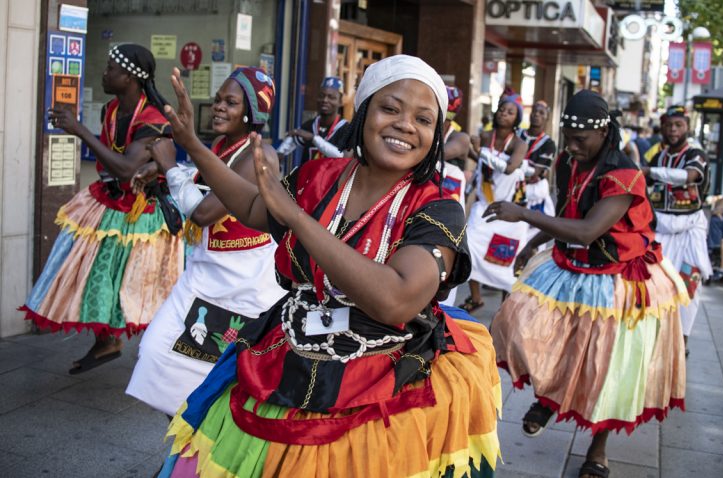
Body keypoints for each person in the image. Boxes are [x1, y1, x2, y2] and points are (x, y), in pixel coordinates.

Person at [157, 55, 501, 477]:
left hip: (385, 377)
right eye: (390, 108)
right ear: (364, 111)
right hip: (288, 351)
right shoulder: (318, 176)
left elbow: (394, 300)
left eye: (423, 119)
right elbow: (254, 206)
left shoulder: (438, 209)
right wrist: (193, 145)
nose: (405, 125)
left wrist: (299, 219)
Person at [488, 90, 688, 478]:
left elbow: (587, 230)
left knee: (607, 366)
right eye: (568, 138)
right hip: (573, 263)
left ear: (603, 133)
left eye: (580, 140)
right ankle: (550, 397)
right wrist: (532, 244)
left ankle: (598, 449)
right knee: (519, 324)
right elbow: (569, 212)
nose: (572, 147)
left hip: (619, 279)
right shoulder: (569, 161)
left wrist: (523, 215)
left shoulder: (624, 174)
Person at [125, 67, 286, 416]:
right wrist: (167, 169)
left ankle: (199, 441)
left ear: (252, 112)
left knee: (220, 376)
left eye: (231, 102)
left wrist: (171, 165)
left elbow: (203, 212)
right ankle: (184, 436)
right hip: (204, 272)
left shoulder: (259, 155)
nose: (219, 107)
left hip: (245, 283)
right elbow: (206, 180)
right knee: (157, 352)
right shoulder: (223, 146)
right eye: (217, 100)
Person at [20, 44, 183, 374]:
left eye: (111, 69)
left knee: (145, 285)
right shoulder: (111, 109)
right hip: (111, 202)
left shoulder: (153, 119)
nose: (104, 73)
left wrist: (79, 131)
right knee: (97, 272)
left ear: (130, 78)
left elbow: (126, 168)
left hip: (144, 211)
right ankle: (107, 341)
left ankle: (167, 354)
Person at [643, 105, 711, 350]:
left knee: (689, 284)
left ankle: (682, 341)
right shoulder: (658, 156)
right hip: (661, 228)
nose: (673, 130)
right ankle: (658, 338)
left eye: (678, 125)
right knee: (655, 282)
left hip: (690, 230)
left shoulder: (696, 154)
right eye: (669, 125)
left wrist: (650, 172)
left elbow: (690, 176)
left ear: (687, 127)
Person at [461, 93, 528, 312]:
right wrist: (471, 150)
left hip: (509, 211)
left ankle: (504, 307)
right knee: (468, 247)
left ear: (517, 119)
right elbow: (480, 163)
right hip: (484, 205)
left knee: (506, 261)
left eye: (510, 112)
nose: (504, 114)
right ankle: (476, 297)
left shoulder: (519, 144)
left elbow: (509, 168)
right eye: (502, 109)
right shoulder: (485, 135)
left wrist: (480, 151)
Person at [440, 86, 471, 307]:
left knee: (448, 243)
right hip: (424, 196)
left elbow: (441, 153)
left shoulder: (459, 137)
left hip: (450, 201)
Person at [276, 76, 350, 167]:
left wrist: (314, 139)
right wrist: (278, 156)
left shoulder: (347, 129)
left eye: (331, 97)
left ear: (340, 101)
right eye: (321, 96)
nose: (325, 100)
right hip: (308, 176)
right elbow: (285, 148)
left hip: (334, 176)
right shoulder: (310, 125)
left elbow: (343, 157)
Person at [520, 100, 556, 243]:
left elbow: (535, 172)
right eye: (534, 111)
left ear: (547, 118)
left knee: (529, 238)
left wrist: (513, 166)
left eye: (541, 113)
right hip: (511, 190)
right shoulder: (518, 134)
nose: (536, 115)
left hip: (532, 194)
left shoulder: (548, 144)